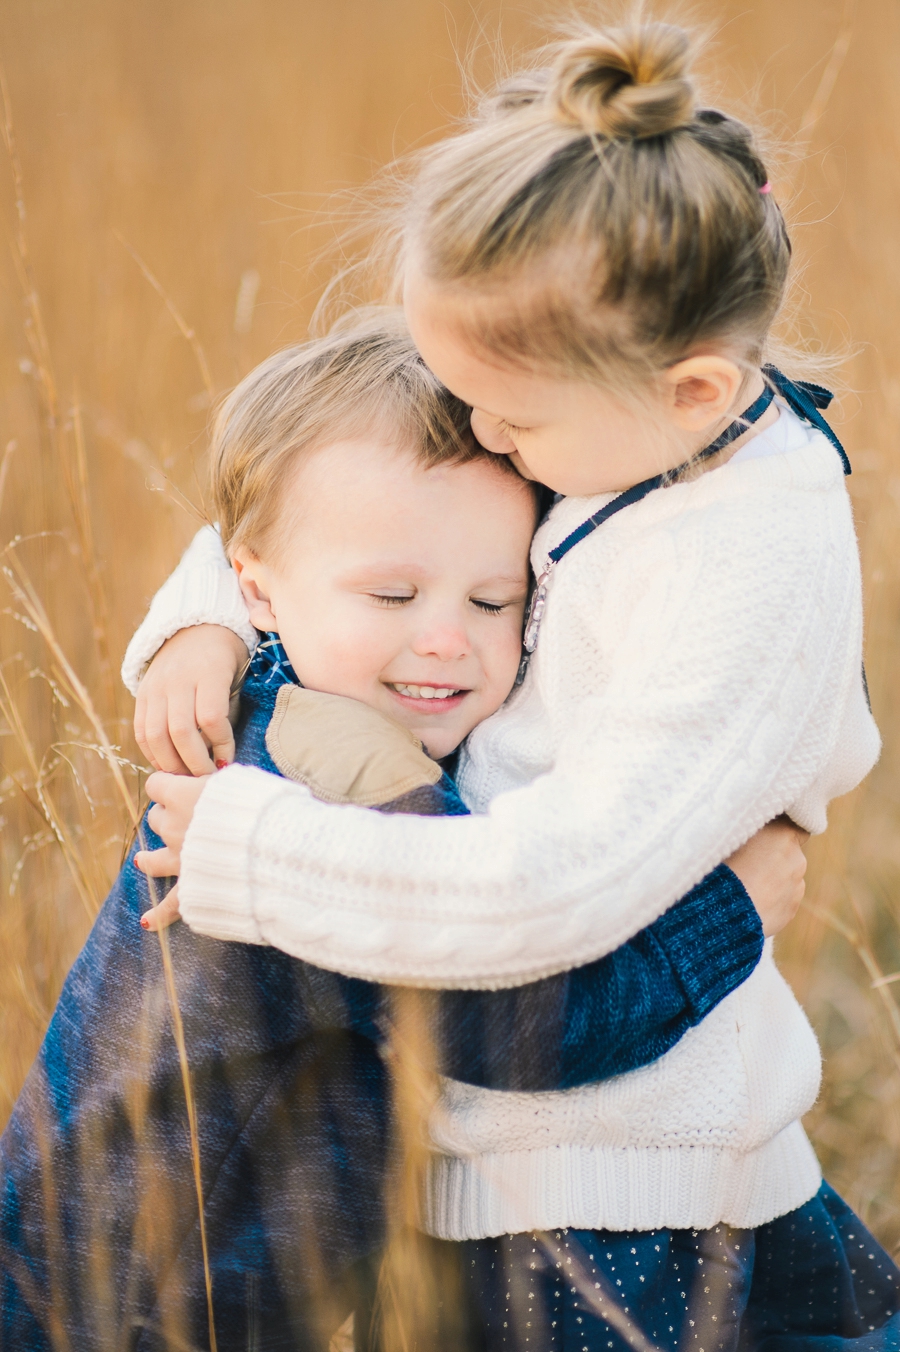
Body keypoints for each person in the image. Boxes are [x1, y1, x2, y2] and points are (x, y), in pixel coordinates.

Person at [135, 18, 900, 1350]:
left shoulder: (743, 568)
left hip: (628, 1184)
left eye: (509, 419)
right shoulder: (619, 413)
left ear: (695, 387)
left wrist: (256, 852)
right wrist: (210, 615)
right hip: (517, 1148)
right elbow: (338, 488)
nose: (481, 434)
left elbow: (558, 882)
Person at [0, 314, 800, 1352]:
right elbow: (522, 1025)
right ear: (258, 588)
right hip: (128, 1310)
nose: (443, 637)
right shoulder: (345, 776)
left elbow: (299, 530)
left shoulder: (299, 682)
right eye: (393, 594)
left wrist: (213, 617)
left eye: (493, 599)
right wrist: (729, 910)